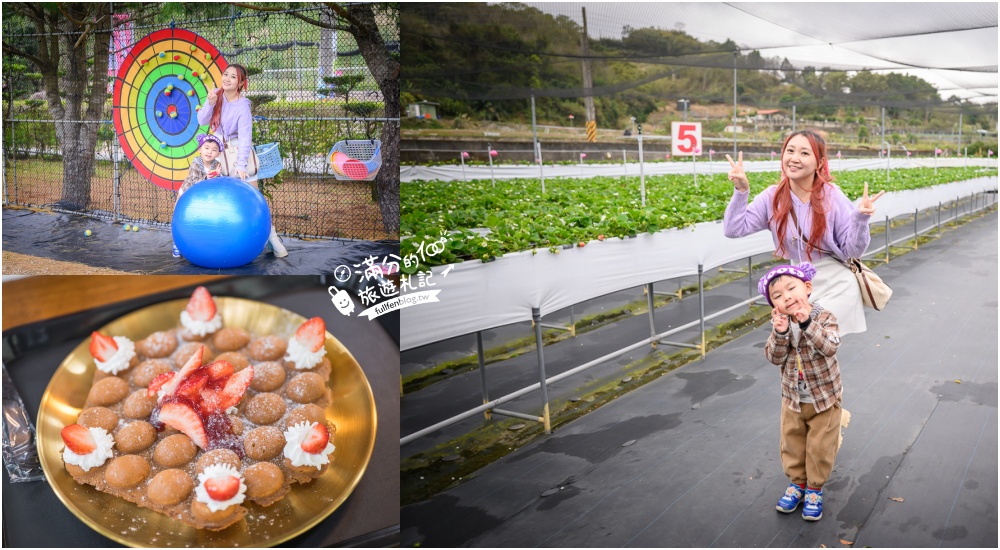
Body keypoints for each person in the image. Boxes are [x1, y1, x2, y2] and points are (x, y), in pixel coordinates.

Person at [723, 129, 884, 335]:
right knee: (800, 344)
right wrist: (741, 191)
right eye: (790, 151)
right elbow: (733, 229)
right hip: (796, 284)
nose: (794, 158)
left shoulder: (832, 196)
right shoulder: (772, 197)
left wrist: (860, 219)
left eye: (804, 153)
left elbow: (852, 251)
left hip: (836, 283)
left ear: (819, 163)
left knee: (814, 340)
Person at [760, 263, 842, 521]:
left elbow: (830, 346)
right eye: (777, 295)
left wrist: (806, 323)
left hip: (824, 399)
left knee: (820, 446)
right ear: (774, 305)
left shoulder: (824, 317)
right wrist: (780, 333)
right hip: (793, 400)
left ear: (807, 287)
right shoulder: (780, 325)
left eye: (791, 288)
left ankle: (814, 488)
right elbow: (774, 357)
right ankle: (797, 483)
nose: (786, 297)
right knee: (792, 443)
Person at [197, 63, 288, 258]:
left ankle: (273, 239)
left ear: (240, 83)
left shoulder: (243, 105)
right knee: (222, 200)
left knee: (254, 200)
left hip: (240, 154)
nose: (227, 79)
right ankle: (224, 242)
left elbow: (246, 137)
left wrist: (240, 165)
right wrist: (210, 102)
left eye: (233, 77)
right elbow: (201, 121)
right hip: (218, 154)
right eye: (226, 74)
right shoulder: (216, 96)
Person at [173, 133, 224, 257]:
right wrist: (209, 176)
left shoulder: (216, 164)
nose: (209, 152)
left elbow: (217, 181)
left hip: (203, 196)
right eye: (206, 148)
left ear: (218, 154)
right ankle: (176, 243)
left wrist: (218, 175)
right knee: (178, 216)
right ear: (200, 149)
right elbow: (195, 182)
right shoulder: (196, 162)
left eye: (214, 150)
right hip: (187, 191)